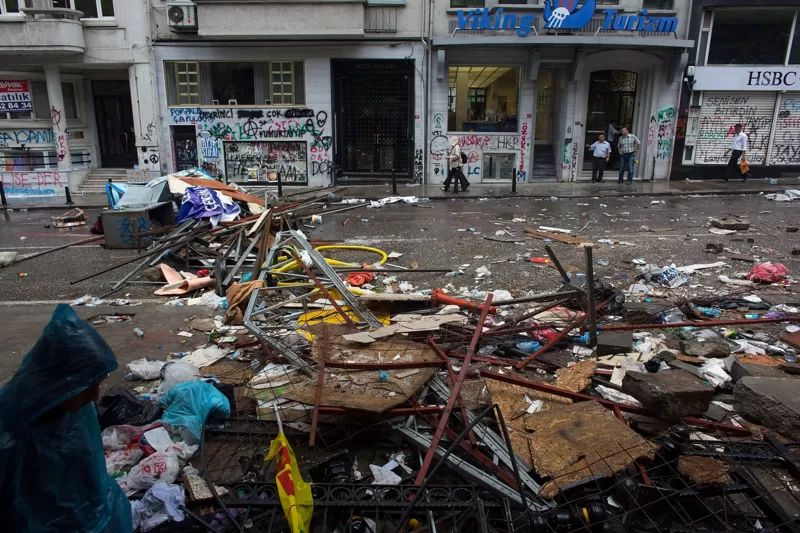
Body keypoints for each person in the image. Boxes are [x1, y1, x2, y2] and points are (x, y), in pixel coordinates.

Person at [0, 305, 132, 533]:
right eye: (88, 387)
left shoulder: (78, 410)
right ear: (60, 385)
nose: (95, 396)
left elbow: (91, 468)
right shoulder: (11, 435)